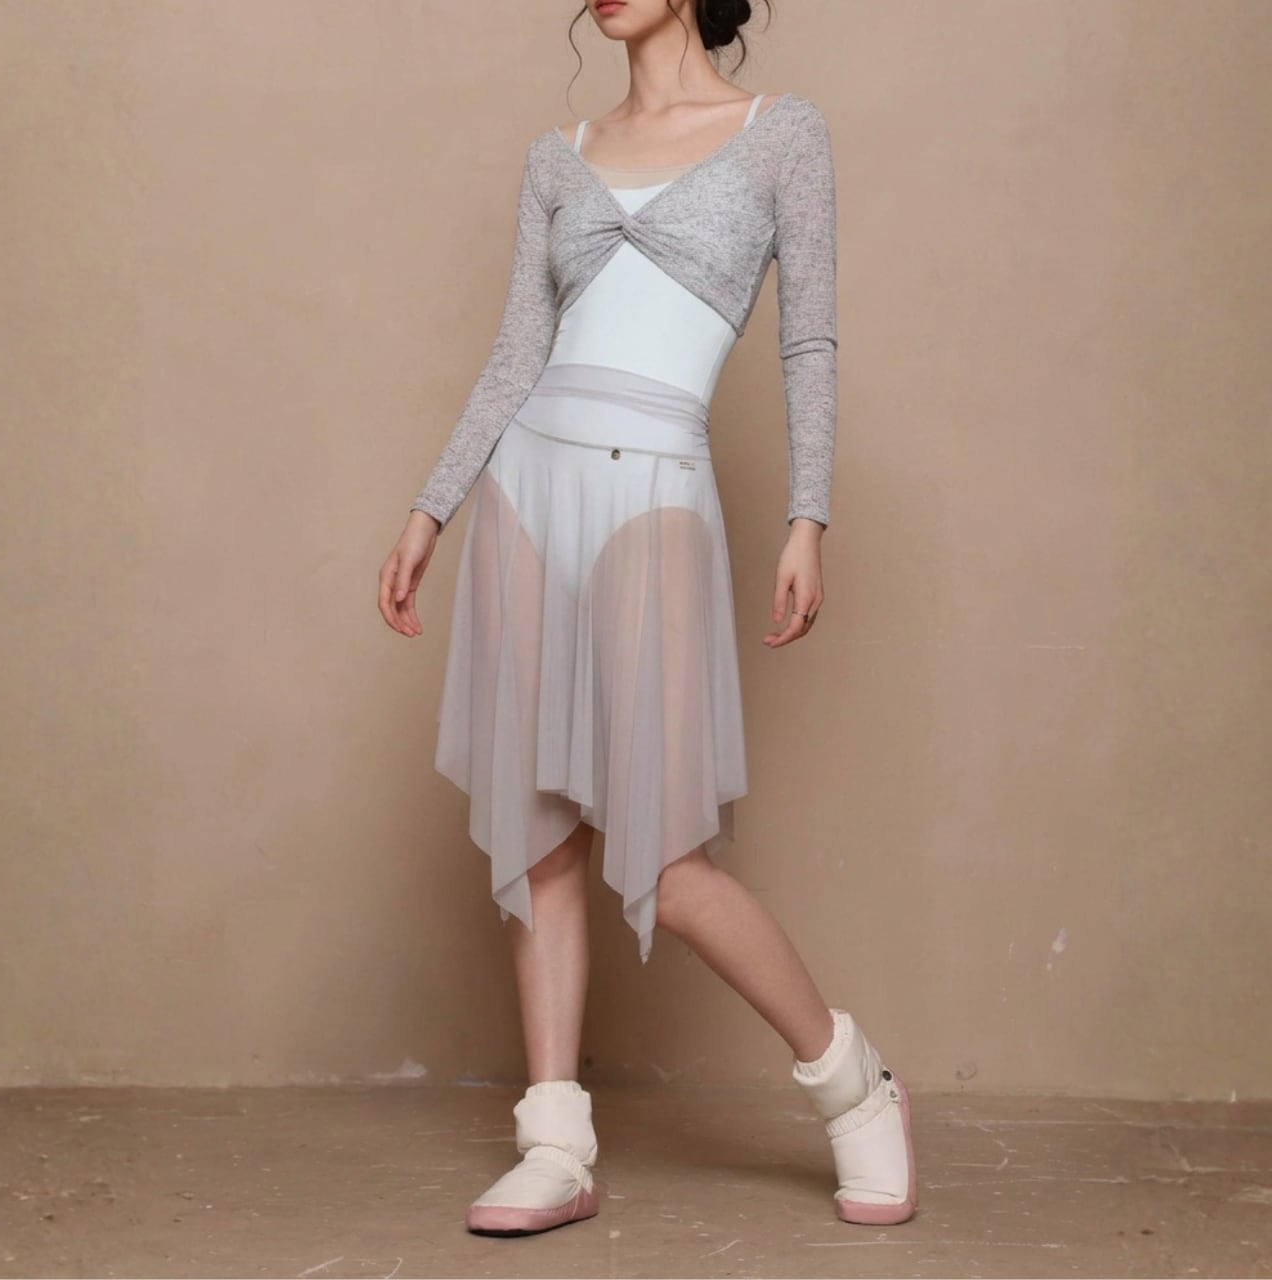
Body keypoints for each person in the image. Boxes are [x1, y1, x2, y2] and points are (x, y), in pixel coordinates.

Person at [377, 0, 916, 1237]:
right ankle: (554, 1141)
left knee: (668, 864)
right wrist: (429, 509)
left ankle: (853, 1085)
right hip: (528, 490)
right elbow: (516, 349)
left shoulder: (781, 134)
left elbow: (809, 338)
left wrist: (807, 514)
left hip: (655, 488)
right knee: (542, 840)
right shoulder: (556, 155)